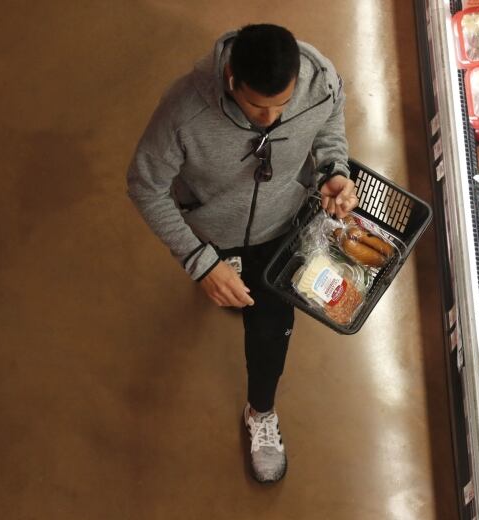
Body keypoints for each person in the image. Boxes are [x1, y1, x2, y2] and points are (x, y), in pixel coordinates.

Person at [126, 24, 357, 483]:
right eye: (257, 106)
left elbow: (330, 121)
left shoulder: (321, 80)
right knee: (224, 271)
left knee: (271, 327)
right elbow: (145, 186)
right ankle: (225, 264)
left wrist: (333, 168)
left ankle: (261, 410)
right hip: (215, 227)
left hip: (284, 225)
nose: (270, 119)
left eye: (282, 106)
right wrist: (201, 262)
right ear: (231, 79)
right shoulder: (183, 113)